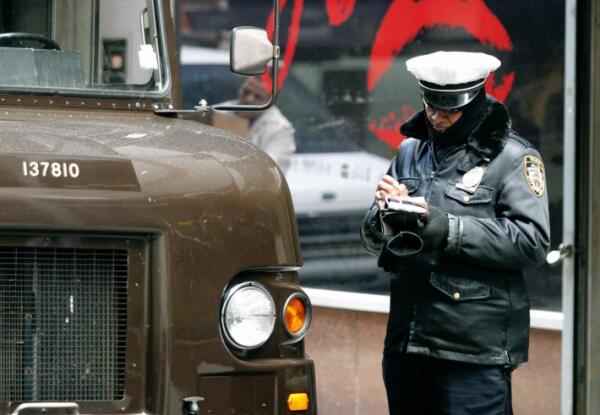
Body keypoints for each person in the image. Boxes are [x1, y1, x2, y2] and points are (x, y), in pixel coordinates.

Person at [360, 51, 550, 414]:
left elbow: (532, 242)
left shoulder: (512, 158)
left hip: (473, 351)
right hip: (407, 342)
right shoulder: (411, 151)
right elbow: (371, 240)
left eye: (450, 107)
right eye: (430, 104)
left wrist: (444, 227)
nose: (437, 116)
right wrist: (386, 215)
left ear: (476, 100)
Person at [235, 76, 296, 173]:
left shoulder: (280, 129)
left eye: (258, 96)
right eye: (246, 92)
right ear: (239, 90)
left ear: (269, 101)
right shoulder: (219, 112)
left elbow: (270, 172)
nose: (249, 99)